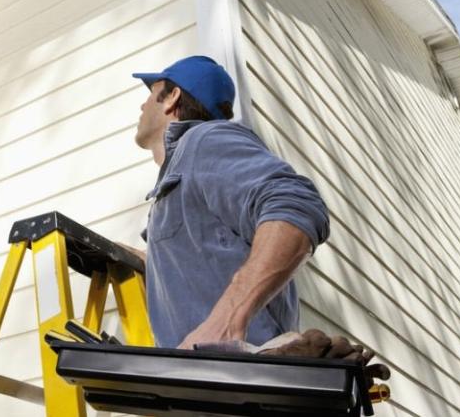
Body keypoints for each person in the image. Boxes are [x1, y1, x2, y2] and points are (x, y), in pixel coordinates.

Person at [123, 55, 330, 351]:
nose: (143, 106)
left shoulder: (204, 141)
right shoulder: (183, 173)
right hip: (207, 378)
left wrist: (227, 320)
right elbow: (203, 258)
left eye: (151, 96)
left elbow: (296, 205)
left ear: (173, 98)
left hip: (244, 379)